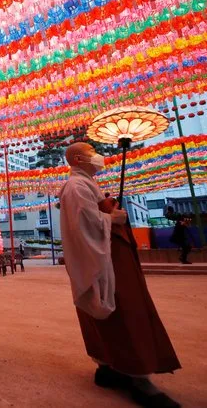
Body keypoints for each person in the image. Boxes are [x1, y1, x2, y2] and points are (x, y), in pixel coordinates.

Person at [59, 142, 180, 408]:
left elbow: (92, 216)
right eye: (92, 152)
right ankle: (136, 376)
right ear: (78, 159)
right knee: (126, 310)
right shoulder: (76, 186)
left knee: (119, 310)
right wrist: (112, 218)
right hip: (103, 259)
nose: (98, 157)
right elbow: (84, 222)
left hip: (109, 252)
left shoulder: (85, 184)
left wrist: (109, 212)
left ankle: (108, 366)